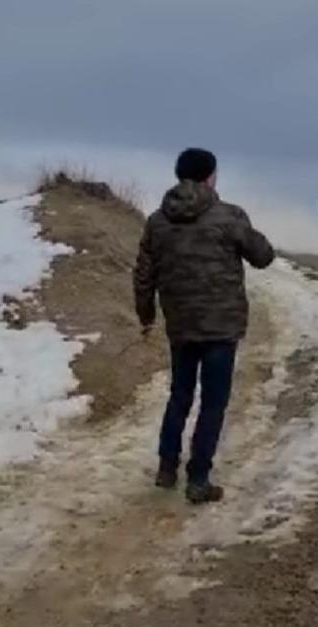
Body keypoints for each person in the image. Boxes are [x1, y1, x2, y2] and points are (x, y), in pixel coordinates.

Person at [134, 148, 275, 504]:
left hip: (180, 324)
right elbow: (263, 256)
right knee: (213, 403)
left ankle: (167, 468)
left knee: (179, 394)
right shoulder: (229, 216)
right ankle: (198, 479)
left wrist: (146, 315)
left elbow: (143, 274)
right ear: (211, 176)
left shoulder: (157, 221)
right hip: (221, 327)